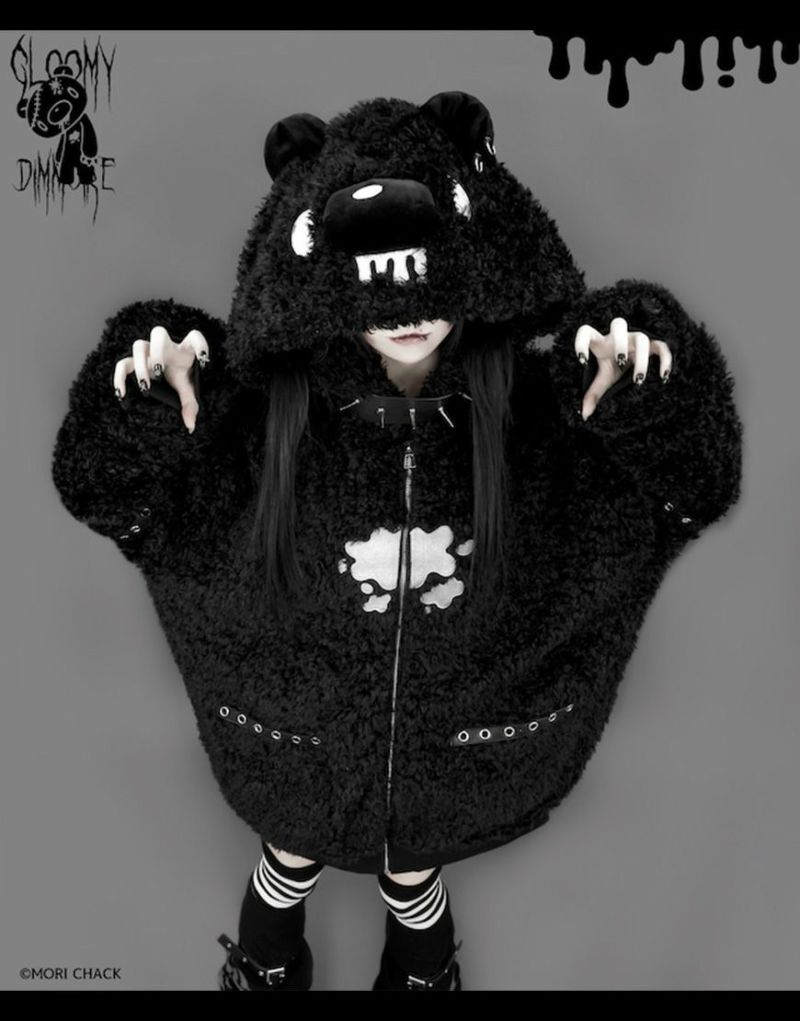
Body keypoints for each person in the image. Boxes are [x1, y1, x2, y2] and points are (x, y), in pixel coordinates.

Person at [51, 92, 743, 991]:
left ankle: (422, 971)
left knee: (413, 867)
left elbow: (689, 489)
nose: (405, 309)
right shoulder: (264, 417)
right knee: (289, 851)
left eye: (427, 282)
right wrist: (143, 399)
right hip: (296, 752)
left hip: (452, 763)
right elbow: (110, 493)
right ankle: (267, 962)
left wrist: (648, 389)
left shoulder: (541, 416)